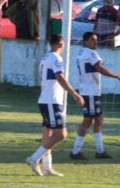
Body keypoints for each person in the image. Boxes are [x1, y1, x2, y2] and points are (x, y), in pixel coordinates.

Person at [25, 34, 84, 177]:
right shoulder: (56, 58)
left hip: (45, 100)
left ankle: (47, 168)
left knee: (48, 134)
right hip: (51, 101)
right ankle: (34, 158)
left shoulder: (45, 58)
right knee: (61, 134)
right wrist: (74, 94)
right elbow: (60, 77)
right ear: (61, 44)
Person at [69, 32, 120, 161]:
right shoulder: (91, 54)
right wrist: (117, 76)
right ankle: (77, 151)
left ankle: (98, 151)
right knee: (88, 121)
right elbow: (100, 68)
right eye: (92, 40)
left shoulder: (81, 53)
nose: (95, 42)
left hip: (89, 91)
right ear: (85, 41)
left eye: (96, 40)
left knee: (98, 120)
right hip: (90, 92)